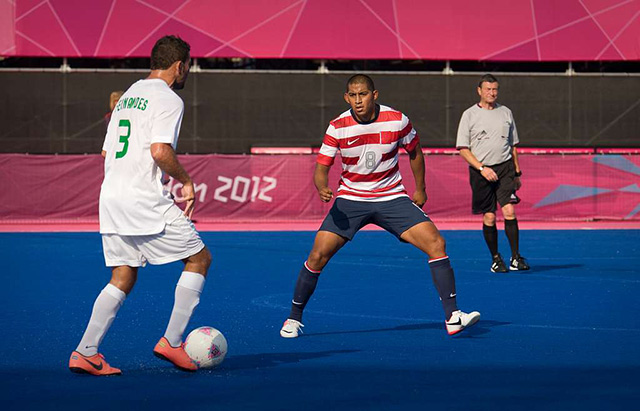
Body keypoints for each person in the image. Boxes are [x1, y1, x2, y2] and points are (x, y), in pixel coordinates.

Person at [280, 74, 480, 339]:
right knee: (317, 255)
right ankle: (293, 318)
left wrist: (420, 188)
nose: (358, 100)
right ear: (346, 98)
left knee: (436, 244)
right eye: (352, 95)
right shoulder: (337, 126)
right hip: (351, 199)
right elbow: (321, 168)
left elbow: (415, 152)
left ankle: (453, 317)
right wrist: (322, 186)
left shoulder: (397, 120)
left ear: (375, 95)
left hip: (391, 197)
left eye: (363, 94)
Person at [69, 35, 212, 376]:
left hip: (111, 198)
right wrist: (187, 181)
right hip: (142, 199)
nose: (188, 70)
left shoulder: (128, 95)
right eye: (189, 64)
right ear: (179, 65)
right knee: (199, 258)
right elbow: (160, 151)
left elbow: (106, 152)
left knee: (123, 274)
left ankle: (86, 351)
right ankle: (172, 342)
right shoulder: (168, 98)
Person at [456, 74, 529, 273]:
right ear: (479, 91)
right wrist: (482, 168)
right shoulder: (469, 115)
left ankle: (516, 257)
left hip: (505, 168)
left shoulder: (506, 112)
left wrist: (517, 173)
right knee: (489, 216)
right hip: (481, 172)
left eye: (495, 89)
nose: (492, 93)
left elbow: (513, 145)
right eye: (488, 89)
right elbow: (463, 149)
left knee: (509, 211)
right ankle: (496, 259)